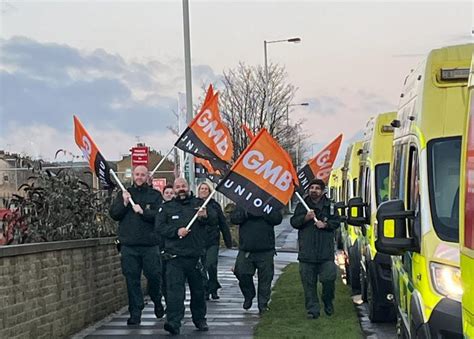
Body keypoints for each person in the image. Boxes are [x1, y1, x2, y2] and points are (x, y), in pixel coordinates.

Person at [156, 178, 218, 335]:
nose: (180, 189)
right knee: (175, 293)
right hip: (174, 257)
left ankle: (200, 319)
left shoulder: (199, 204)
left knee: (198, 292)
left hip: (194, 256)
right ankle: (173, 322)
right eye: (178, 187)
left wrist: (204, 216)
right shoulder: (167, 208)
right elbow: (160, 227)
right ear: (174, 189)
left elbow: (214, 220)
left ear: (188, 187)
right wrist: (176, 232)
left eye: (183, 186)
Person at [109, 165, 164, 325]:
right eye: (137, 174)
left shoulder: (155, 195)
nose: (139, 177)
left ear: (148, 176)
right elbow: (114, 214)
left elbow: (160, 215)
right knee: (131, 279)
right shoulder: (125, 194)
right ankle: (135, 311)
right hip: (129, 245)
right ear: (133, 175)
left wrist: (143, 212)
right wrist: (124, 203)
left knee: (154, 276)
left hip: (149, 245)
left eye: (142, 174)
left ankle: (157, 299)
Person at [290, 179, 340, 319]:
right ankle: (313, 310)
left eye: (317, 188)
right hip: (307, 253)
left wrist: (326, 225)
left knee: (329, 278)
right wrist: (306, 218)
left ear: (322, 191)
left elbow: (336, 221)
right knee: (308, 284)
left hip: (325, 253)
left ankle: (328, 301)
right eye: (312, 187)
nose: (314, 190)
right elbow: (294, 222)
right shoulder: (302, 206)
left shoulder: (330, 206)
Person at [230, 206, 282, 315]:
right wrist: (247, 213)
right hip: (246, 248)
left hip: (266, 249)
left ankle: (263, 305)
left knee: (265, 279)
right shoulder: (243, 202)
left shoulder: (269, 203)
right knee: (241, 272)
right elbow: (234, 218)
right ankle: (249, 294)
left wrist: (263, 213)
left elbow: (277, 219)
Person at [197, 182, 233, 300]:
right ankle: (205, 288)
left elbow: (222, 222)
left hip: (212, 239)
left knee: (211, 264)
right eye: (201, 189)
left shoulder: (214, 205)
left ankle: (213, 286)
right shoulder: (194, 204)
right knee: (201, 267)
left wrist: (228, 240)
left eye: (206, 189)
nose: (203, 191)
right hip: (198, 240)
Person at [159, 184, 175, 307]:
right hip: (160, 247)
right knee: (162, 277)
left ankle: (173, 303)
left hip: (174, 248)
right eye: (167, 193)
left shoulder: (178, 208)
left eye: (171, 192)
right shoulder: (159, 209)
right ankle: (166, 301)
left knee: (172, 279)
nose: (169, 195)